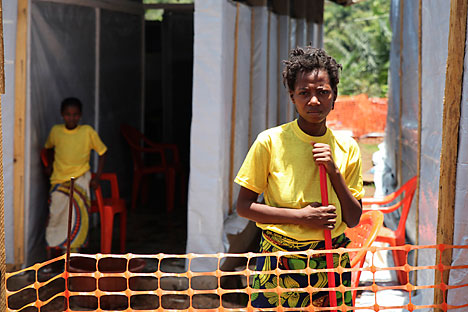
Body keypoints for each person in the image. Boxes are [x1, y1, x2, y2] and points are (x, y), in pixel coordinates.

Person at [235, 47, 364, 309]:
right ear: (292, 96)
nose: (314, 101)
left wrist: (334, 171)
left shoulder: (346, 147)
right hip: (279, 261)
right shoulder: (270, 142)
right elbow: (244, 207)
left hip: (330, 259)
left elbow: (353, 218)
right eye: (304, 93)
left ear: (334, 97)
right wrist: (301, 217)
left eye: (322, 92)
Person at [43, 97, 107, 255]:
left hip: (80, 178)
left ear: (80, 115)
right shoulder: (56, 131)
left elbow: (102, 152)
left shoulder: (87, 132)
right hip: (59, 179)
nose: (71, 118)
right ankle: (52, 256)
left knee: (76, 214)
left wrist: (97, 177)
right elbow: (48, 149)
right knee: (55, 216)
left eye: (75, 115)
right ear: (62, 114)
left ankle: (72, 254)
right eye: (68, 114)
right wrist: (49, 165)